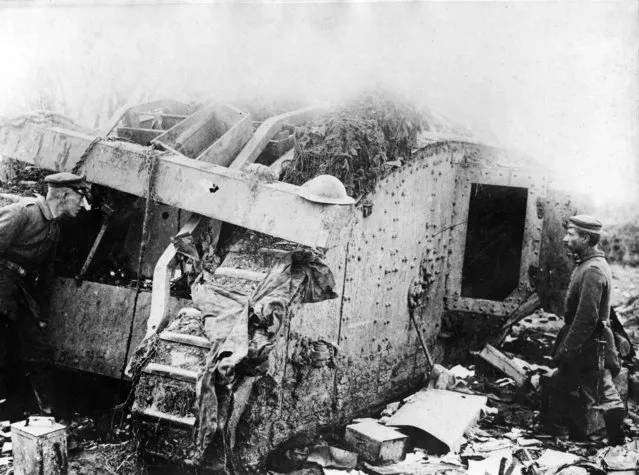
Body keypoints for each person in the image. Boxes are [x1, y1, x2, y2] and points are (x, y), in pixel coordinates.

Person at [0, 172, 91, 419]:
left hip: (19, 292)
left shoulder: (54, 230)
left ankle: (49, 417)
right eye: (80, 198)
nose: (82, 206)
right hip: (2, 286)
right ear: (64, 195)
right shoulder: (23, 213)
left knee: (37, 352)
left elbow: (46, 277)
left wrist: (42, 314)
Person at [543, 215, 625, 444]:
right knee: (567, 385)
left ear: (586, 238)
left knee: (601, 391)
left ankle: (617, 441)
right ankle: (562, 436)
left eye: (571, 234)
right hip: (589, 342)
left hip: (590, 344)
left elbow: (586, 317)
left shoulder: (593, 270)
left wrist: (568, 348)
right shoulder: (588, 265)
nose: (564, 239)